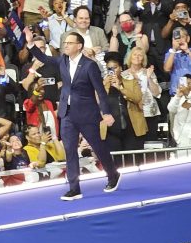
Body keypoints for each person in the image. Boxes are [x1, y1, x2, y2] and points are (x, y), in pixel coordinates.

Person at [25, 28, 121, 200]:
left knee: (98, 147)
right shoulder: (62, 60)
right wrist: (30, 44)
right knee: (69, 150)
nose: (65, 45)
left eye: (69, 43)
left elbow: (100, 91)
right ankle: (74, 188)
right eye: (65, 43)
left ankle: (113, 174)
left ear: (79, 45)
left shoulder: (90, 65)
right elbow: (44, 58)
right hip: (67, 114)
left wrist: (106, 113)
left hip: (86, 114)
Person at [163, 27, 191, 95]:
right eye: (176, 38)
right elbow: (167, 69)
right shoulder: (170, 54)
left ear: (188, 38)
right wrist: (174, 50)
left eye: (182, 37)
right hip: (177, 94)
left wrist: (187, 50)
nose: (179, 40)